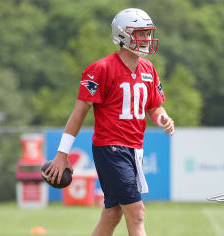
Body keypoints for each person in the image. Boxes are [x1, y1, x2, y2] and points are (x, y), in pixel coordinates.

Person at [46, 8, 175, 236]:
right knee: (137, 213)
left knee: (113, 214)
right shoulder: (101, 69)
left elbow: (154, 106)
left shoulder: (148, 69)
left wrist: (162, 117)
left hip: (134, 149)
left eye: (147, 33)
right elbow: (79, 113)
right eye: (141, 33)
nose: (146, 39)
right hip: (111, 148)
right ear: (123, 35)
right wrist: (61, 154)